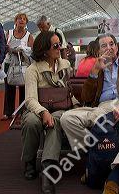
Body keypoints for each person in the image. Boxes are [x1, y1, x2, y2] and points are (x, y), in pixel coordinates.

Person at [60, 34, 119, 194]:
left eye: (112, 44)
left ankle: (116, 173)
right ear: (98, 50)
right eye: (104, 46)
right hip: (102, 107)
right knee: (67, 118)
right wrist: (94, 71)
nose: (109, 48)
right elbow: (86, 97)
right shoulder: (97, 67)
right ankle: (95, 159)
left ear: (116, 47)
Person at [21, 31, 78, 193]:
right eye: (56, 45)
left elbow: (69, 91)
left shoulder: (65, 64)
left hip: (61, 108)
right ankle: (29, 161)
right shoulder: (33, 69)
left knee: (56, 121)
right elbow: (30, 99)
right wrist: (43, 112)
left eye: (60, 44)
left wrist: (76, 104)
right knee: (31, 121)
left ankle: (48, 169)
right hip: (38, 106)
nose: (60, 48)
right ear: (45, 49)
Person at [2, 13, 34, 120]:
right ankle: (8, 112)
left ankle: (22, 111)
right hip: (9, 63)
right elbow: (3, 46)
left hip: (23, 64)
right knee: (9, 87)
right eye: (19, 18)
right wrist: (9, 48)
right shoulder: (9, 33)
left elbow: (31, 51)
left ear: (26, 22)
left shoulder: (29, 35)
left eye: (24, 19)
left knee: (23, 88)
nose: (21, 20)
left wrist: (22, 50)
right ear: (15, 21)